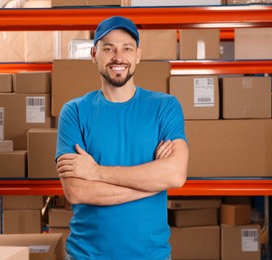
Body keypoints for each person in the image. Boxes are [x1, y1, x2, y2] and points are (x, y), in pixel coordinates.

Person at [55, 15, 189, 260]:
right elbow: (76, 191)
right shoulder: (73, 111)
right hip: (87, 255)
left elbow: (175, 175)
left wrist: (96, 172)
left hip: (151, 255)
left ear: (138, 54)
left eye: (127, 48)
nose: (118, 57)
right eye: (109, 49)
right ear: (94, 54)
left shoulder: (165, 107)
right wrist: (152, 183)